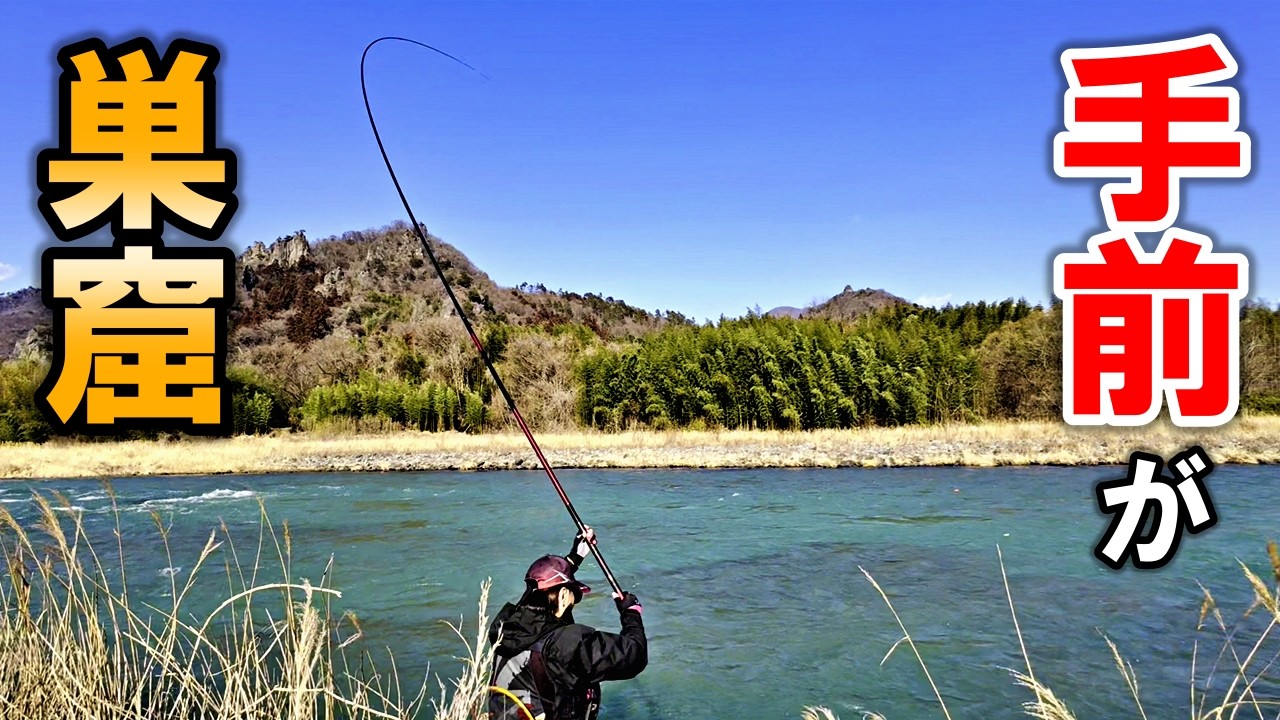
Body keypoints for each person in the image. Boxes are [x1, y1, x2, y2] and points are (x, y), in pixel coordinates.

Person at [488, 527, 647, 720]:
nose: (574, 604)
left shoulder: (507, 626)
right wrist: (631, 614)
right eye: (575, 597)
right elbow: (634, 655)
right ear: (563, 595)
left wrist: (575, 557)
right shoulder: (565, 643)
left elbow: (538, 591)